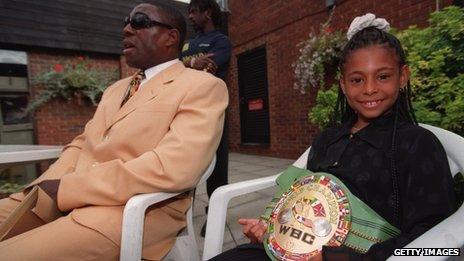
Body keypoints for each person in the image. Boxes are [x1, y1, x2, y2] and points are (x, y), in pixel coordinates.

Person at [210, 13, 456, 260]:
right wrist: (271, 232)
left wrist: (339, 258)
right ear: (343, 84)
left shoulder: (417, 144)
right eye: (357, 80)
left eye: (383, 76)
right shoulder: (327, 139)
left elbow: (440, 244)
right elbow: (302, 203)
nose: (370, 88)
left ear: (403, 77)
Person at [0, 3, 228, 260]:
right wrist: (47, 185)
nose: (127, 29)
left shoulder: (203, 86)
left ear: (171, 37)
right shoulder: (115, 89)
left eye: (140, 21)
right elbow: (83, 143)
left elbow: (175, 167)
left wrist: (71, 188)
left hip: (134, 209)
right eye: (125, 21)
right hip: (67, 194)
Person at [180, 0, 232, 237]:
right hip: (185, 111)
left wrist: (185, 67)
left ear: (207, 12)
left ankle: (215, 211)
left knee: (217, 165)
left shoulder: (221, 41)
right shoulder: (187, 44)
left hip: (213, 111)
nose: (190, 16)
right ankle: (178, 212)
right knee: (184, 162)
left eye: (193, 11)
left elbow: (207, 68)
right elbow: (171, 68)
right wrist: (191, 62)